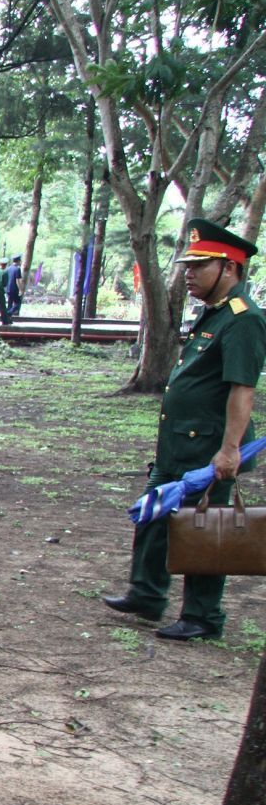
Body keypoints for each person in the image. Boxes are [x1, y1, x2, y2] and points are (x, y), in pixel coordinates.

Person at [103, 219, 266, 641]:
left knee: (204, 529)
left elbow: (242, 390)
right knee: (154, 516)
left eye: (199, 266)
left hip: (208, 449)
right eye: (188, 266)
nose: (188, 273)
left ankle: (202, 616)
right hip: (178, 445)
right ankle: (147, 594)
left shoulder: (243, 321)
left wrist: (230, 449)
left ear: (230, 268)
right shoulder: (214, 315)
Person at [1, 254, 23, 324]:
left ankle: (8, 320)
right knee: (17, 303)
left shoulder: (8, 268)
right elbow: (18, 280)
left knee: (9, 304)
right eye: (20, 260)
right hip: (14, 289)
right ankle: (8, 313)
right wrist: (20, 289)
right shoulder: (17, 269)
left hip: (8, 289)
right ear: (18, 261)